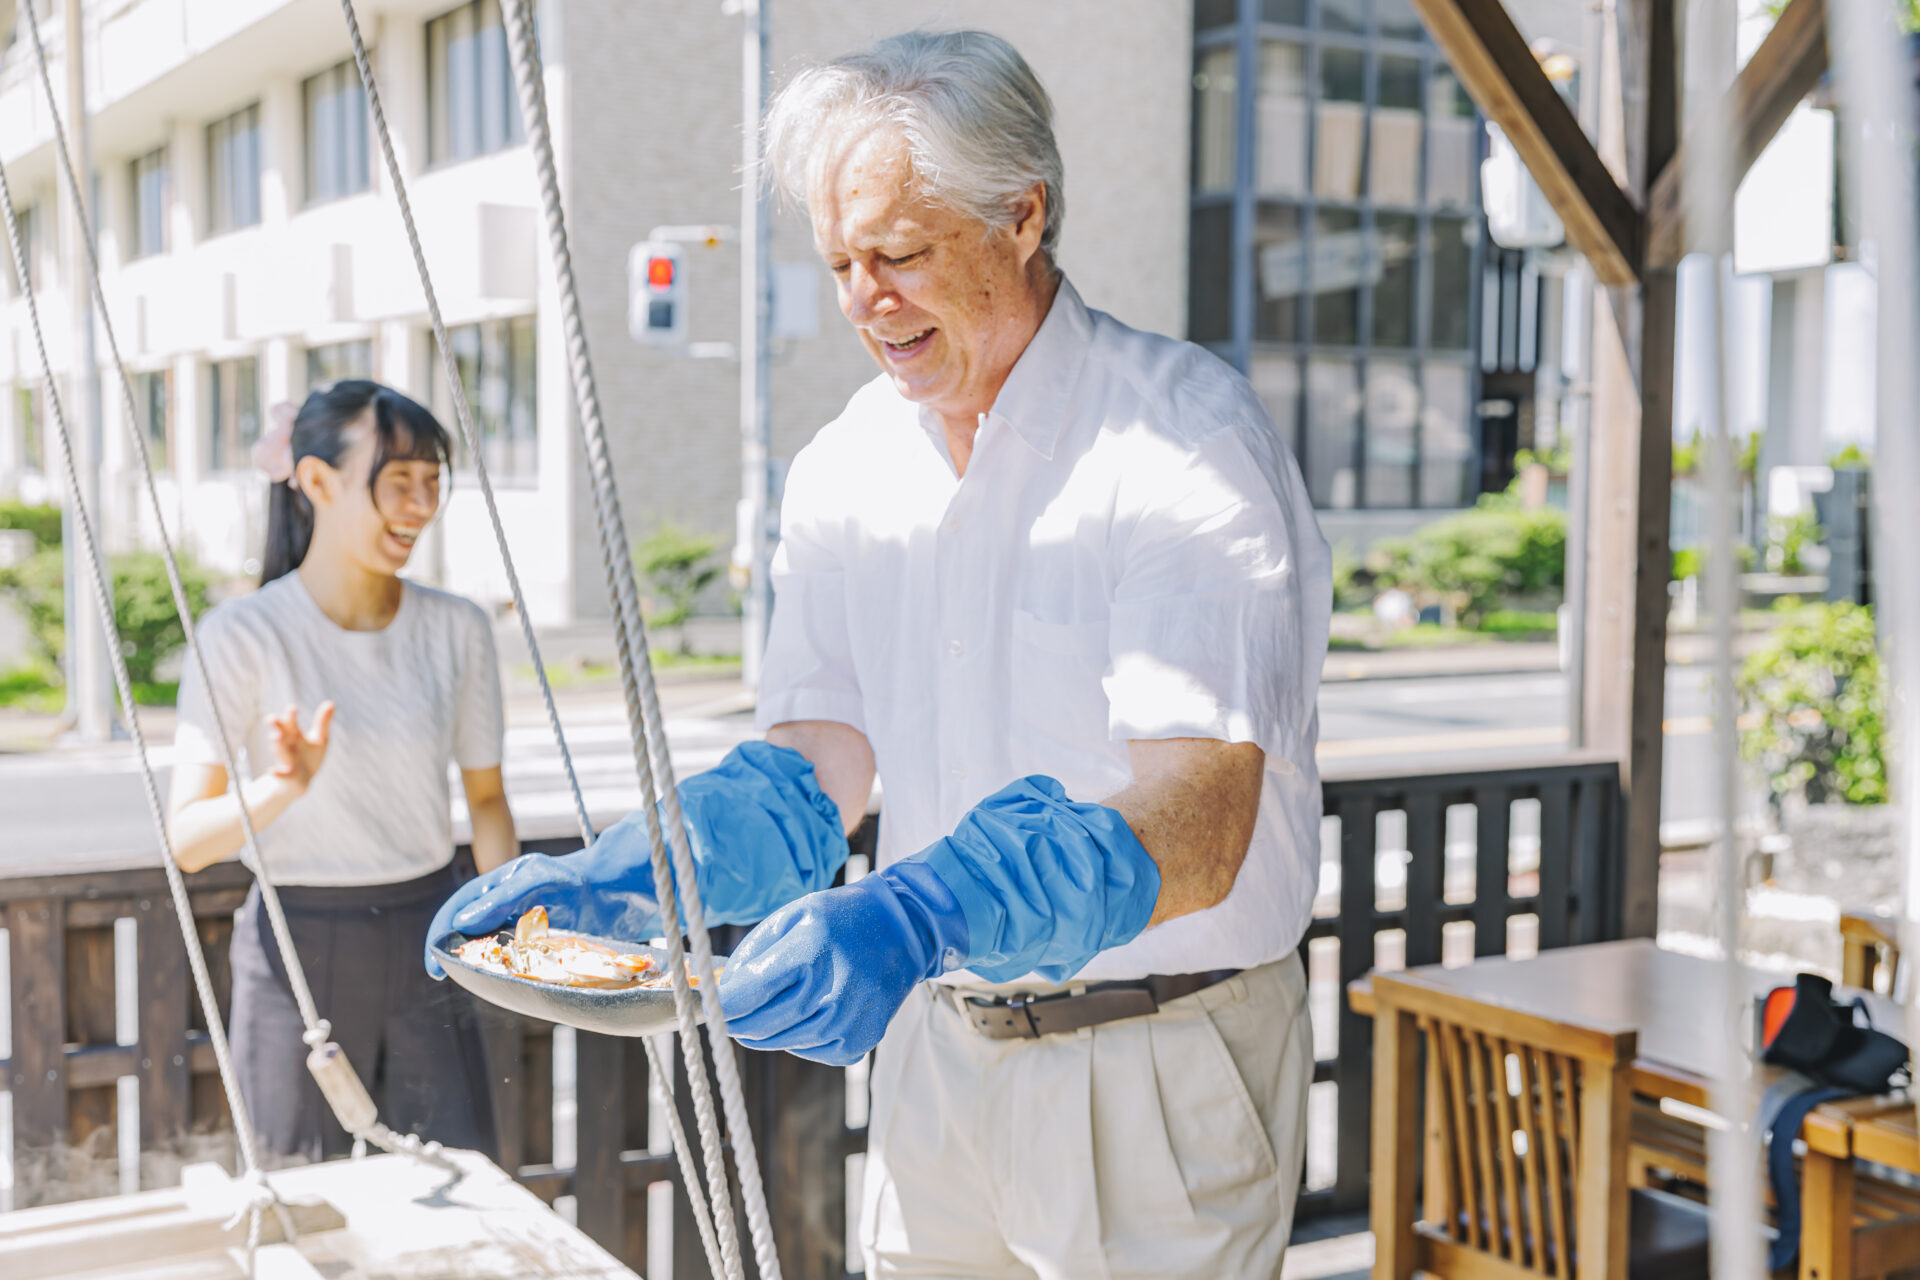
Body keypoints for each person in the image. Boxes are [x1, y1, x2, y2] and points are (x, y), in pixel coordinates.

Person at [431, 29, 1330, 1276]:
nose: (863, 299)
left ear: (1024, 215)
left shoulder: (1179, 442)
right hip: (940, 1052)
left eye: (901, 254)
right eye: (843, 263)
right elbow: (819, 756)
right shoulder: (851, 460)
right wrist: (640, 875)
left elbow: (1201, 816)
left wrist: (925, 905)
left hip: (1156, 1057)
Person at [171, 380, 514, 1165]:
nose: (420, 503)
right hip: (296, 944)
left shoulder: (457, 627)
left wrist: (513, 932)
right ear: (319, 482)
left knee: (462, 1187)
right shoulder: (241, 635)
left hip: (433, 929)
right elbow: (188, 842)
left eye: (433, 481)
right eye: (398, 480)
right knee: (303, 1198)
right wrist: (282, 788)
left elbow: (487, 800)